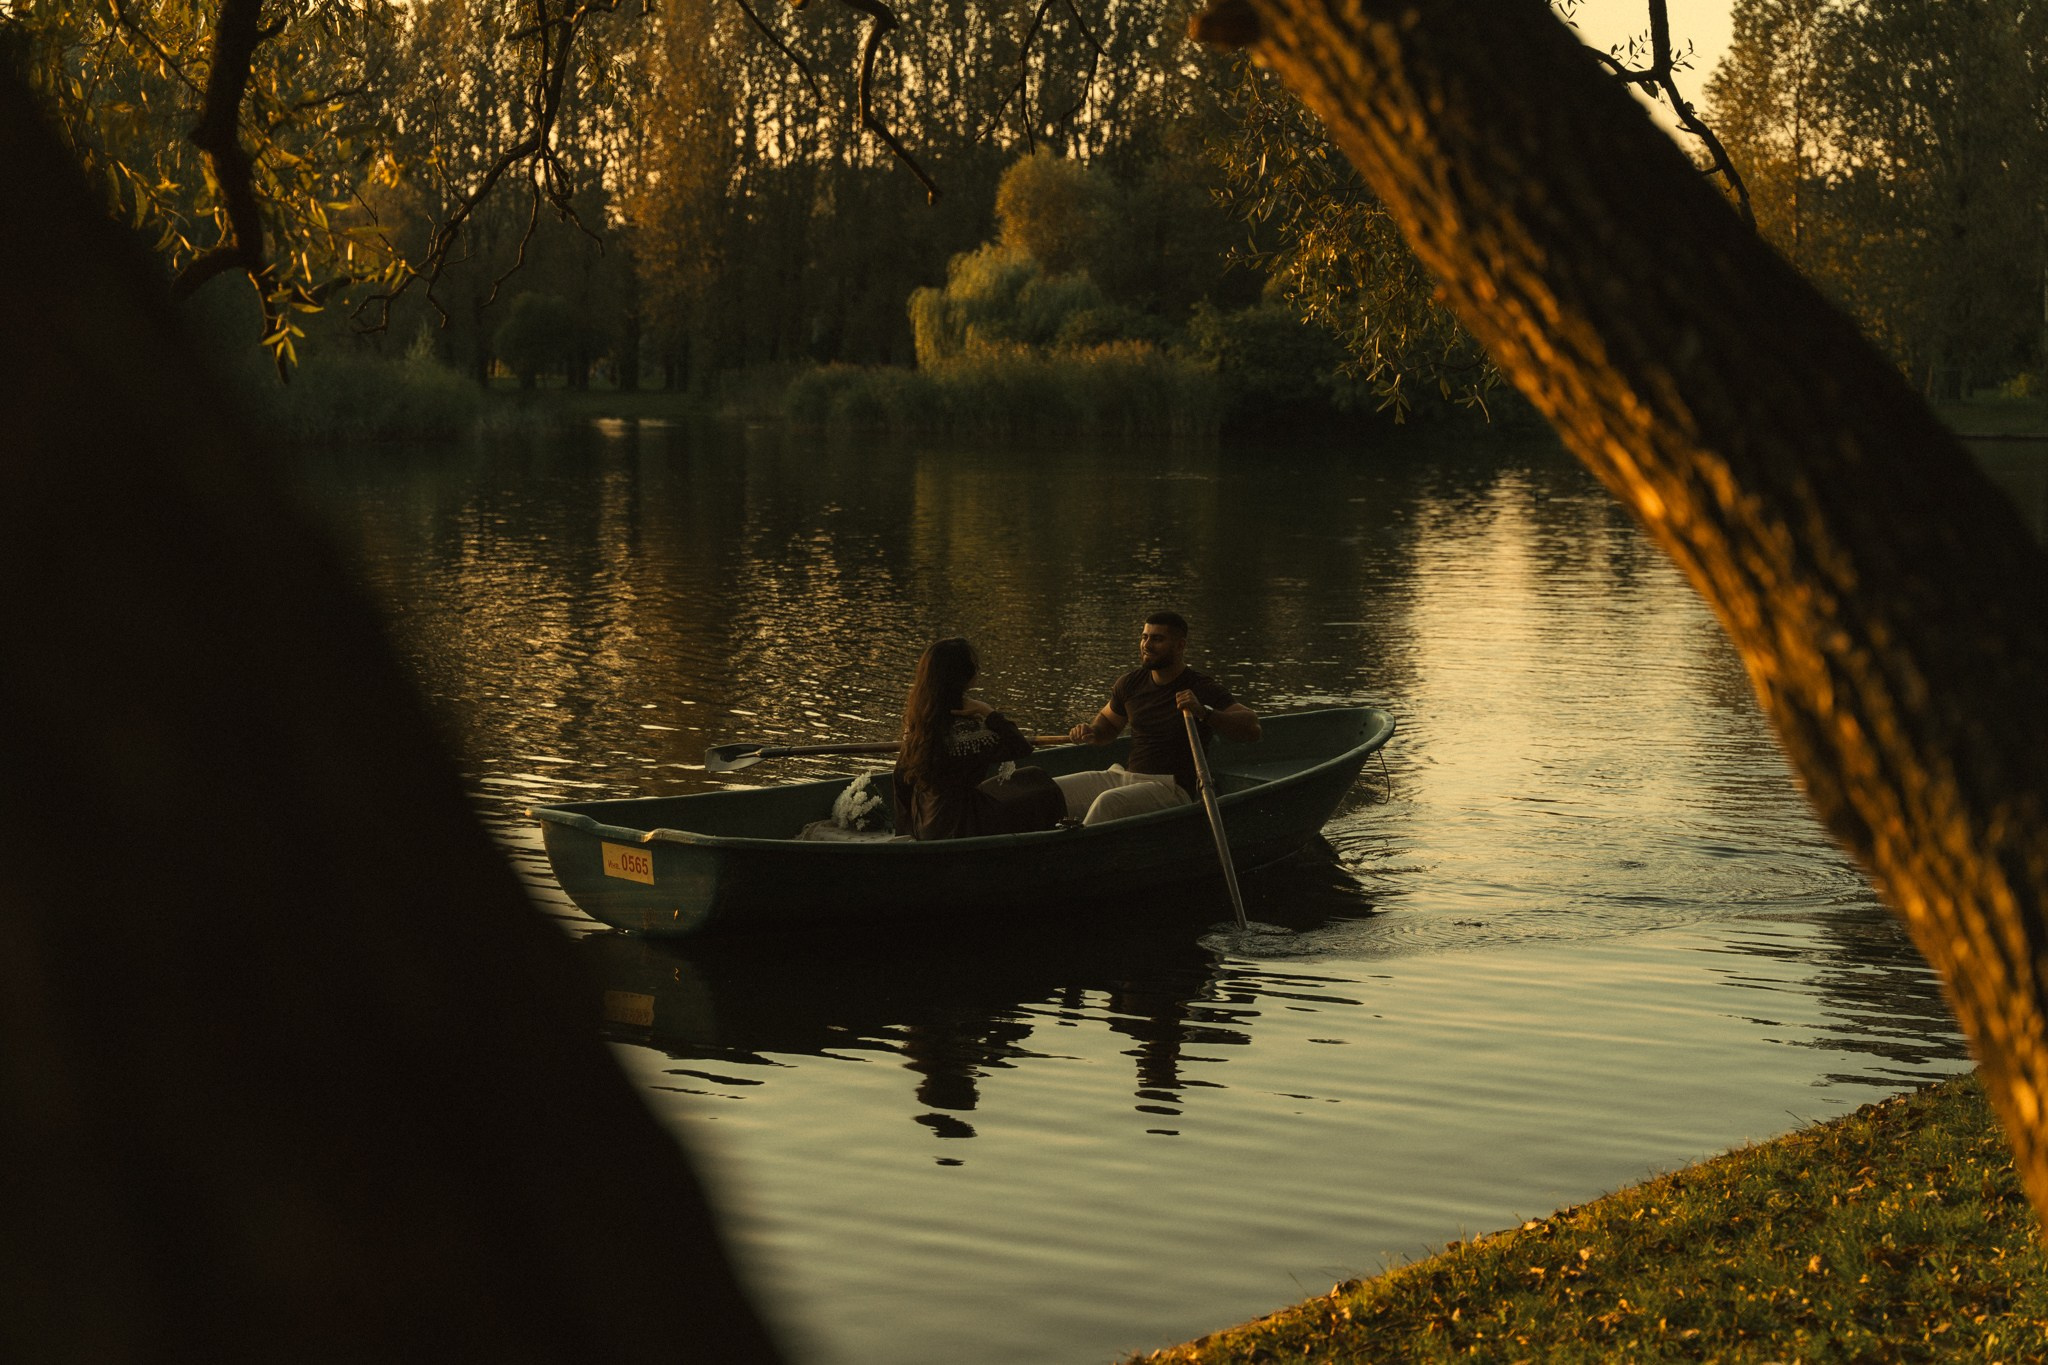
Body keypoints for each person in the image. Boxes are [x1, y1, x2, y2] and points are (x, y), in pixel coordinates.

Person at [1058, 612, 1261, 825]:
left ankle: (1077, 845)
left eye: (1157, 639)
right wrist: (1091, 732)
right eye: (1144, 637)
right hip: (1126, 777)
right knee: (1052, 790)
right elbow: (1108, 724)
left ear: (1180, 645)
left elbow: (1253, 728)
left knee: (1108, 802)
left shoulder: (1201, 687)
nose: (1147, 645)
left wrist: (1204, 712)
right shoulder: (1130, 683)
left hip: (1172, 788)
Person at [891, 637, 1044, 840]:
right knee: (1041, 786)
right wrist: (987, 711)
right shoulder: (971, 730)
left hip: (925, 823)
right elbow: (1021, 747)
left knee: (1028, 778)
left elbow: (900, 779)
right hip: (964, 824)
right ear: (964, 676)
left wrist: (906, 833)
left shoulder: (920, 723)